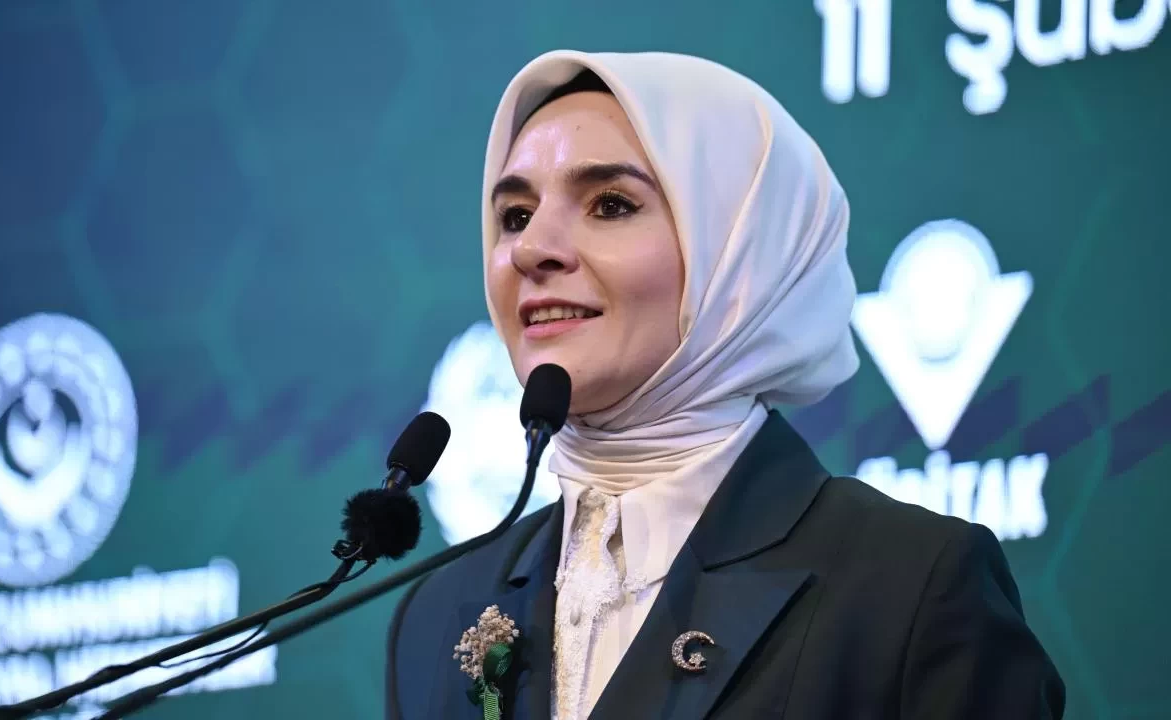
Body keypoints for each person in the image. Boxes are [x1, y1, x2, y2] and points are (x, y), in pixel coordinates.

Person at [385, 49, 1065, 720]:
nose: (532, 249)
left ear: (740, 254)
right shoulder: (437, 616)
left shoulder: (909, 589)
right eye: (515, 216)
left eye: (610, 205)